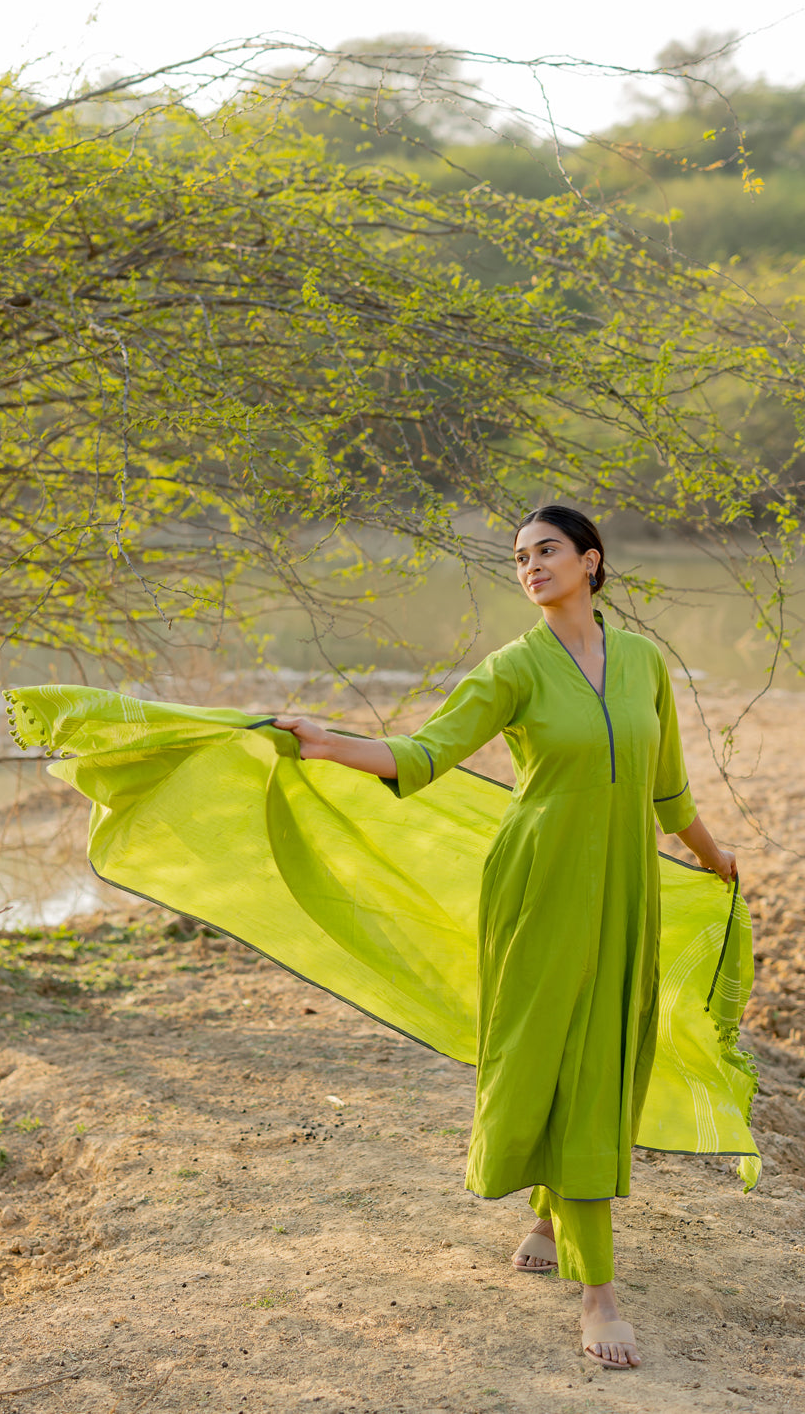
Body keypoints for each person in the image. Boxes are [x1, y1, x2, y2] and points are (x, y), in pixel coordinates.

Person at [272, 505, 738, 1371]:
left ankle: (550, 1210)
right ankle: (598, 1291)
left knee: (606, 1056)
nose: (530, 566)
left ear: (591, 561)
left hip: (626, 889)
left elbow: (668, 791)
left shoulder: (643, 664)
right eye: (520, 557)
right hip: (539, 888)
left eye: (547, 550)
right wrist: (328, 743)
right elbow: (424, 752)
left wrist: (719, 859)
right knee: (549, 1054)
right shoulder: (513, 668)